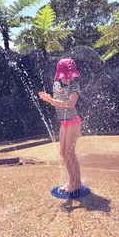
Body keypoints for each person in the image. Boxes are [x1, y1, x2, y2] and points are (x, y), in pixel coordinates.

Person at [38, 58, 83, 194]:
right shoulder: (56, 85)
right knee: (63, 153)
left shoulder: (75, 87)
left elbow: (70, 104)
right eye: (65, 77)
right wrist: (48, 98)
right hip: (63, 122)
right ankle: (71, 180)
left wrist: (51, 100)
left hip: (73, 122)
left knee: (70, 152)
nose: (68, 80)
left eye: (70, 77)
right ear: (59, 75)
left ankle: (77, 182)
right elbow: (57, 100)